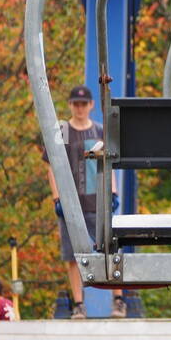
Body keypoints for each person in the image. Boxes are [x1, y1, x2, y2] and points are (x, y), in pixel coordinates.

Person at [44, 85, 123, 319]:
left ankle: (118, 300)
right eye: (75, 104)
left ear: (90, 105)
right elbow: (51, 166)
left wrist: (113, 193)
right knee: (73, 256)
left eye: (83, 104)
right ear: (70, 105)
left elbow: (109, 166)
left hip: (96, 202)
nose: (79, 108)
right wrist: (57, 198)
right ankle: (79, 304)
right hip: (71, 204)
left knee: (109, 250)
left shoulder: (99, 131)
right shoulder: (63, 130)